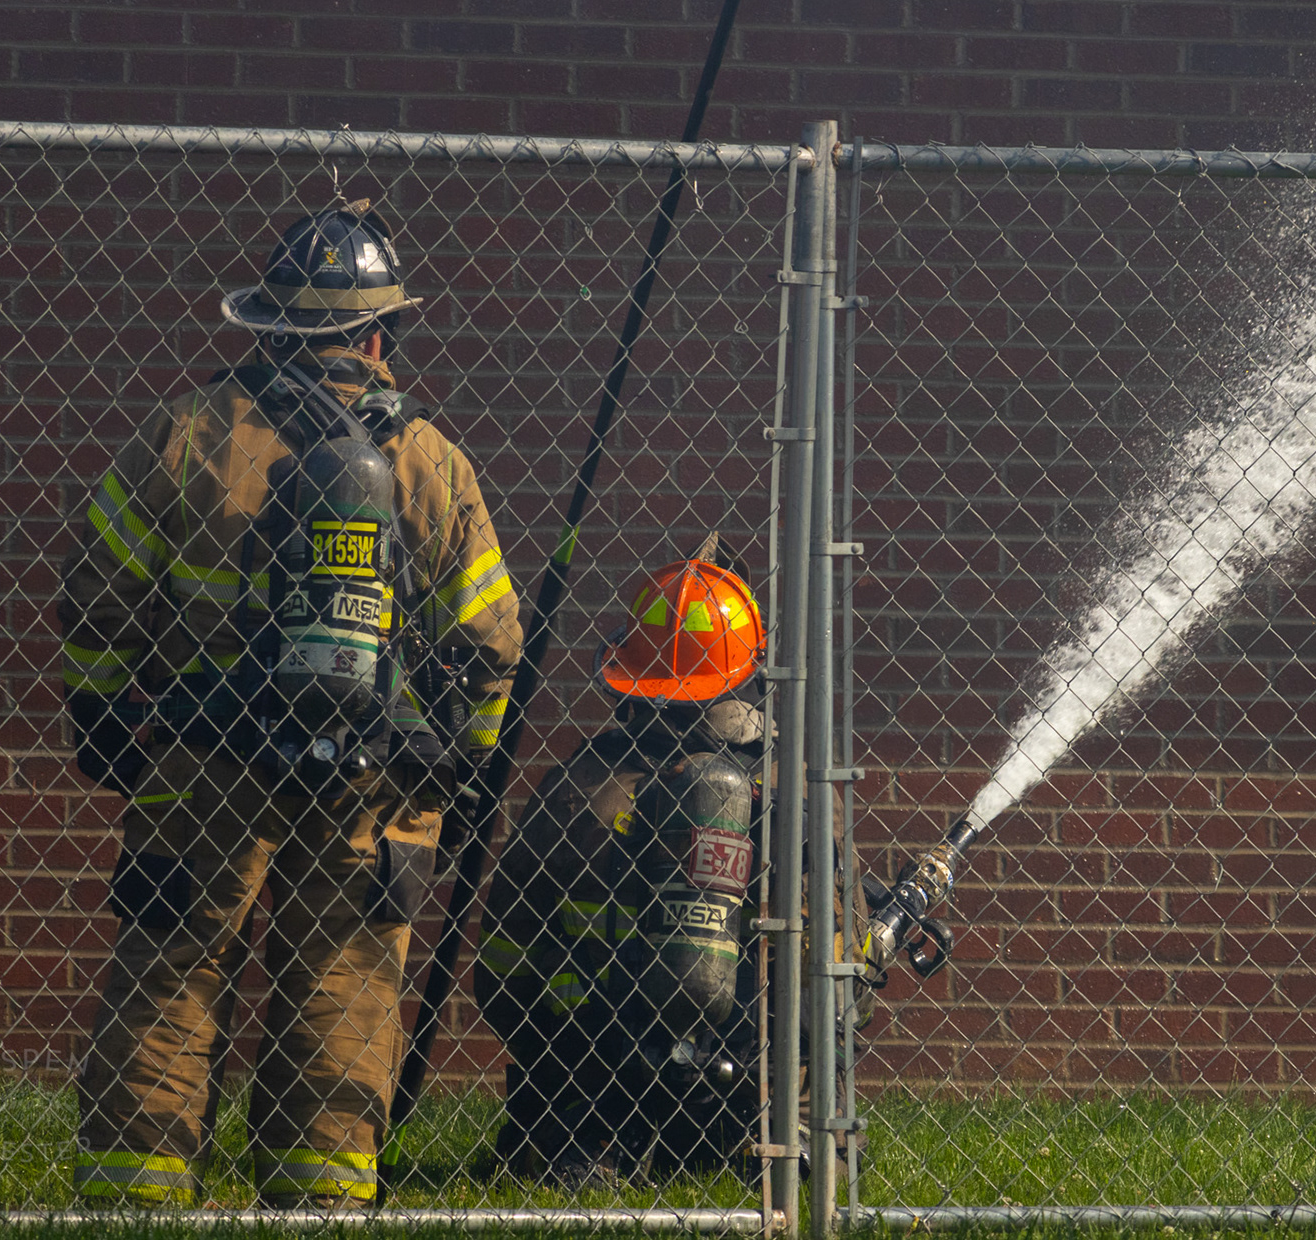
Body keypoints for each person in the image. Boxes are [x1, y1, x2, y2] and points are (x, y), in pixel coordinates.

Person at [57, 201, 523, 1208]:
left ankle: (134, 1194)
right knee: (345, 987)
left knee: (170, 973)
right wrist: (470, 761)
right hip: (373, 779)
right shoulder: (432, 463)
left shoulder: (190, 435)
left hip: (203, 759)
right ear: (377, 332)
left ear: (269, 323)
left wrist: (100, 710)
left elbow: (98, 585)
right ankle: (319, 1198)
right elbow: (492, 641)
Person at [476, 544, 869, 1185]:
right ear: (751, 671)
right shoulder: (796, 793)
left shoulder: (574, 788)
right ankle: (798, 1140)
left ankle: (577, 1143)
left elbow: (500, 979)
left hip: (588, 1094)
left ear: (626, 668)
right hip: (749, 1103)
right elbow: (843, 998)